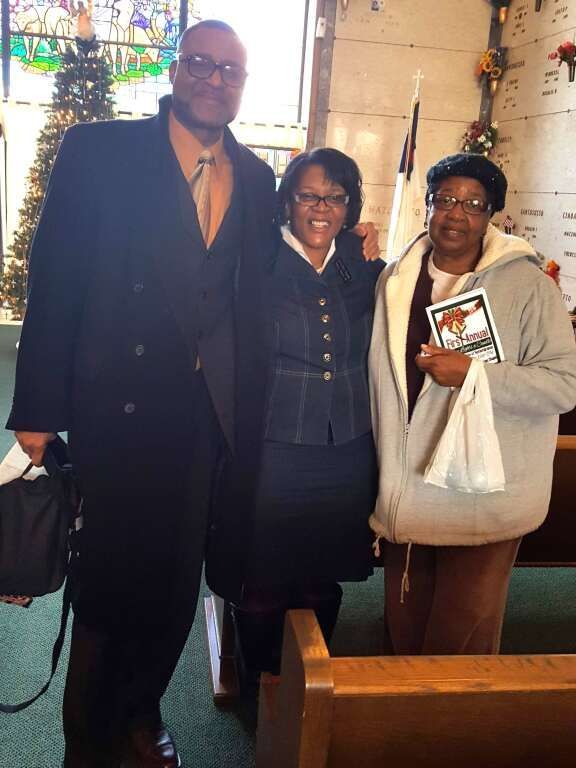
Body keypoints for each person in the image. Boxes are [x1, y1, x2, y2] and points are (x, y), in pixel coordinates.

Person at [7, 20, 379, 768]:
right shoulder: (100, 151)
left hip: (208, 423)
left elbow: (285, 271)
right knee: (110, 581)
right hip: (115, 410)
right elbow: (55, 281)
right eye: (201, 64)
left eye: (231, 71)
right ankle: (90, 734)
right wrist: (38, 410)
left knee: (177, 582)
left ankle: (142, 715)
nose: (215, 80)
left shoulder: (255, 177)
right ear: (176, 72)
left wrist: (355, 257)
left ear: (243, 86)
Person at [368, 153, 576, 656]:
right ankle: (404, 732)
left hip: (482, 492)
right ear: (428, 207)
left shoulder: (528, 286)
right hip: (408, 488)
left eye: (473, 204)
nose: (456, 214)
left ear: (491, 216)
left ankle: (453, 737)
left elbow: (563, 385)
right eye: (445, 200)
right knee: (406, 629)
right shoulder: (395, 280)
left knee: (460, 641)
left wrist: (474, 374)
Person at [222, 148, 384, 681]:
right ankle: (261, 679)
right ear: (287, 201)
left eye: (335, 197)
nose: (322, 208)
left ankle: (304, 679)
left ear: (349, 206)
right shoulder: (255, 259)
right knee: (263, 572)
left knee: (323, 574)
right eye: (309, 194)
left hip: (347, 452)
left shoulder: (363, 265)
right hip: (274, 446)